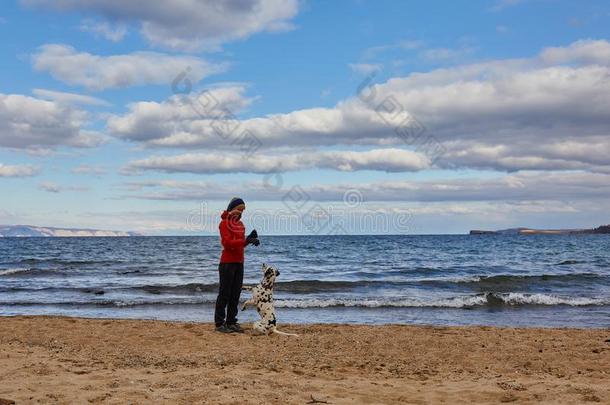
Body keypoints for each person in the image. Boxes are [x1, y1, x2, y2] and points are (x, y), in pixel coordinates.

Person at [214, 197, 260, 333]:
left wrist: (250, 240)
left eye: (243, 210)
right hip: (227, 263)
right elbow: (227, 244)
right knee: (224, 294)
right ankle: (219, 324)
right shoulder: (224, 223)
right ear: (232, 208)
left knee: (235, 294)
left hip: (239, 263)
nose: (241, 212)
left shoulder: (241, 225)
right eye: (239, 209)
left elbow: (240, 244)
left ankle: (231, 322)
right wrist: (244, 240)